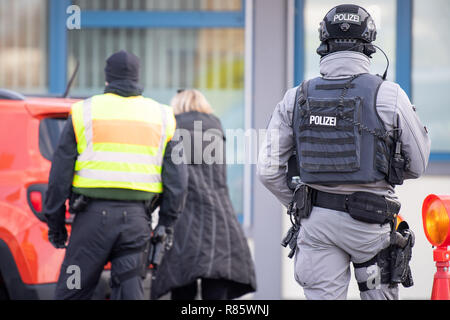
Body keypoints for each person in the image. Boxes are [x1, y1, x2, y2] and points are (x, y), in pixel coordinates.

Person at [257, 4, 430, 300]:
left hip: (316, 224)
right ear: (369, 44)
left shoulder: (294, 98)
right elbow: (417, 164)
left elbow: (268, 170)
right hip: (371, 224)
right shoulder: (389, 95)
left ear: (323, 43)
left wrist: (301, 204)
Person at [44, 50, 188, 300]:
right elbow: (178, 181)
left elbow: (59, 174)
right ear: (137, 78)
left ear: (107, 78)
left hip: (91, 224)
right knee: (131, 294)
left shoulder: (84, 112)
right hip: (135, 224)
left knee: (72, 291)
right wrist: (166, 224)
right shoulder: (163, 116)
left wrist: (55, 222)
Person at [150, 89, 257, 300]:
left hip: (183, 222)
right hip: (219, 220)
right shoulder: (215, 128)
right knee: (216, 282)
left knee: (182, 285)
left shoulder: (173, 128)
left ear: (178, 106)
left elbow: (170, 179)